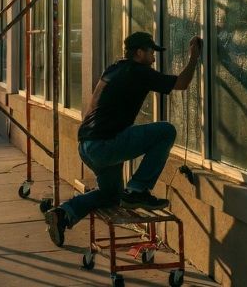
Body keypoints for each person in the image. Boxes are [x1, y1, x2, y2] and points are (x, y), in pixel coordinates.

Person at [44, 31, 202, 246]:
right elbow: (181, 84)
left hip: (87, 146)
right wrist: (194, 55)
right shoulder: (139, 72)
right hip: (105, 145)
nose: (154, 58)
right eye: (151, 53)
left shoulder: (114, 68)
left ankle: (63, 214)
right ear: (139, 53)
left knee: (111, 195)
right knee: (166, 131)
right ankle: (137, 190)